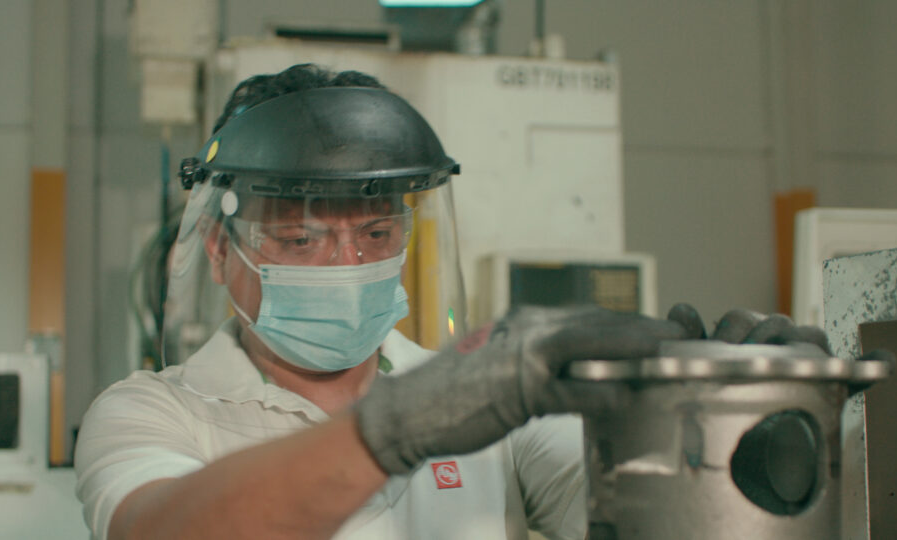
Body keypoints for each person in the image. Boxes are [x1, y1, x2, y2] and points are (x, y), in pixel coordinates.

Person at [73, 63, 835, 540]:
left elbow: (648, 519)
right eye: (302, 239)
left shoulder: (490, 405)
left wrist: (746, 435)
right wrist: (397, 427)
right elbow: (159, 531)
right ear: (218, 249)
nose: (347, 264)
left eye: (377, 233)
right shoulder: (152, 412)